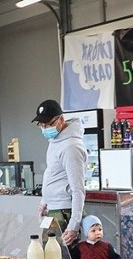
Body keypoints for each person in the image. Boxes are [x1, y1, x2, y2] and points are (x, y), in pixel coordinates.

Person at [32, 99, 86, 245]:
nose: (44, 128)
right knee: (49, 258)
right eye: (41, 125)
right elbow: (53, 174)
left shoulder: (71, 147)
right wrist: (45, 200)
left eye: (48, 124)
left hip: (64, 212)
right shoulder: (55, 141)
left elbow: (78, 189)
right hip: (53, 210)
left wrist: (74, 225)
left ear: (61, 119)